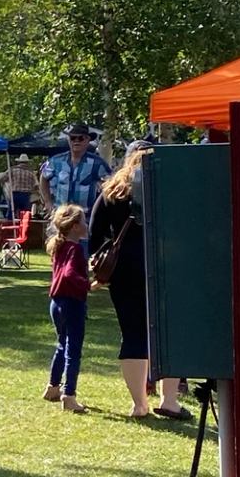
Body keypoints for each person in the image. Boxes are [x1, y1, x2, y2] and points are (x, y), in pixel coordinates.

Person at [85, 144, 184, 420]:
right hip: (165, 266)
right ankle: (170, 400)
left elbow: (94, 236)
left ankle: (139, 404)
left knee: (133, 334)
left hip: (125, 271)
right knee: (168, 334)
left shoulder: (112, 191)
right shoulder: (167, 190)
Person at [43, 201, 90, 412]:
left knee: (62, 344)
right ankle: (69, 395)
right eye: (84, 221)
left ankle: (52, 387)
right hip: (72, 303)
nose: (87, 225)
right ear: (74, 227)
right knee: (73, 350)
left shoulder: (59, 246)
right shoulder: (75, 249)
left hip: (56, 303)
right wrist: (88, 284)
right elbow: (70, 274)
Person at [41, 125, 109, 217]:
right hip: (60, 216)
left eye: (81, 138)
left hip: (85, 217)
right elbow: (44, 177)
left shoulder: (97, 163)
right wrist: (48, 202)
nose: (76, 141)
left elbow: (111, 184)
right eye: (73, 138)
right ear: (69, 140)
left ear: (88, 140)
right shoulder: (55, 161)